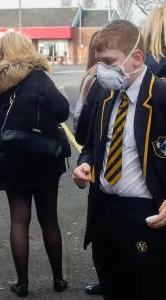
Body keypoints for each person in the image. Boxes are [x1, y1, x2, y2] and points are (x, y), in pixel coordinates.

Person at [72, 19, 166, 300]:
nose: (101, 71)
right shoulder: (104, 95)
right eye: (98, 62)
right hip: (106, 215)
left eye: (108, 61)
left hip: (150, 218)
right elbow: (92, 145)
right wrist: (85, 163)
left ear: (136, 58)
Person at [0, 32, 70, 297]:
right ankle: (58, 280)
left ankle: (22, 284)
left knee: (18, 219)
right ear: (27, 49)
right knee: (49, 219)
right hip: (44, 156)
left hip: (10, 157)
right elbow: (62, 111)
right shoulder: (37, 76)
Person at [73, 32, 104, 295]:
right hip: (105, 170)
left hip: (105, 174)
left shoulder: (92, 80)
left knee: (103, 232)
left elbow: (81, 131)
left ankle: (108, 279)